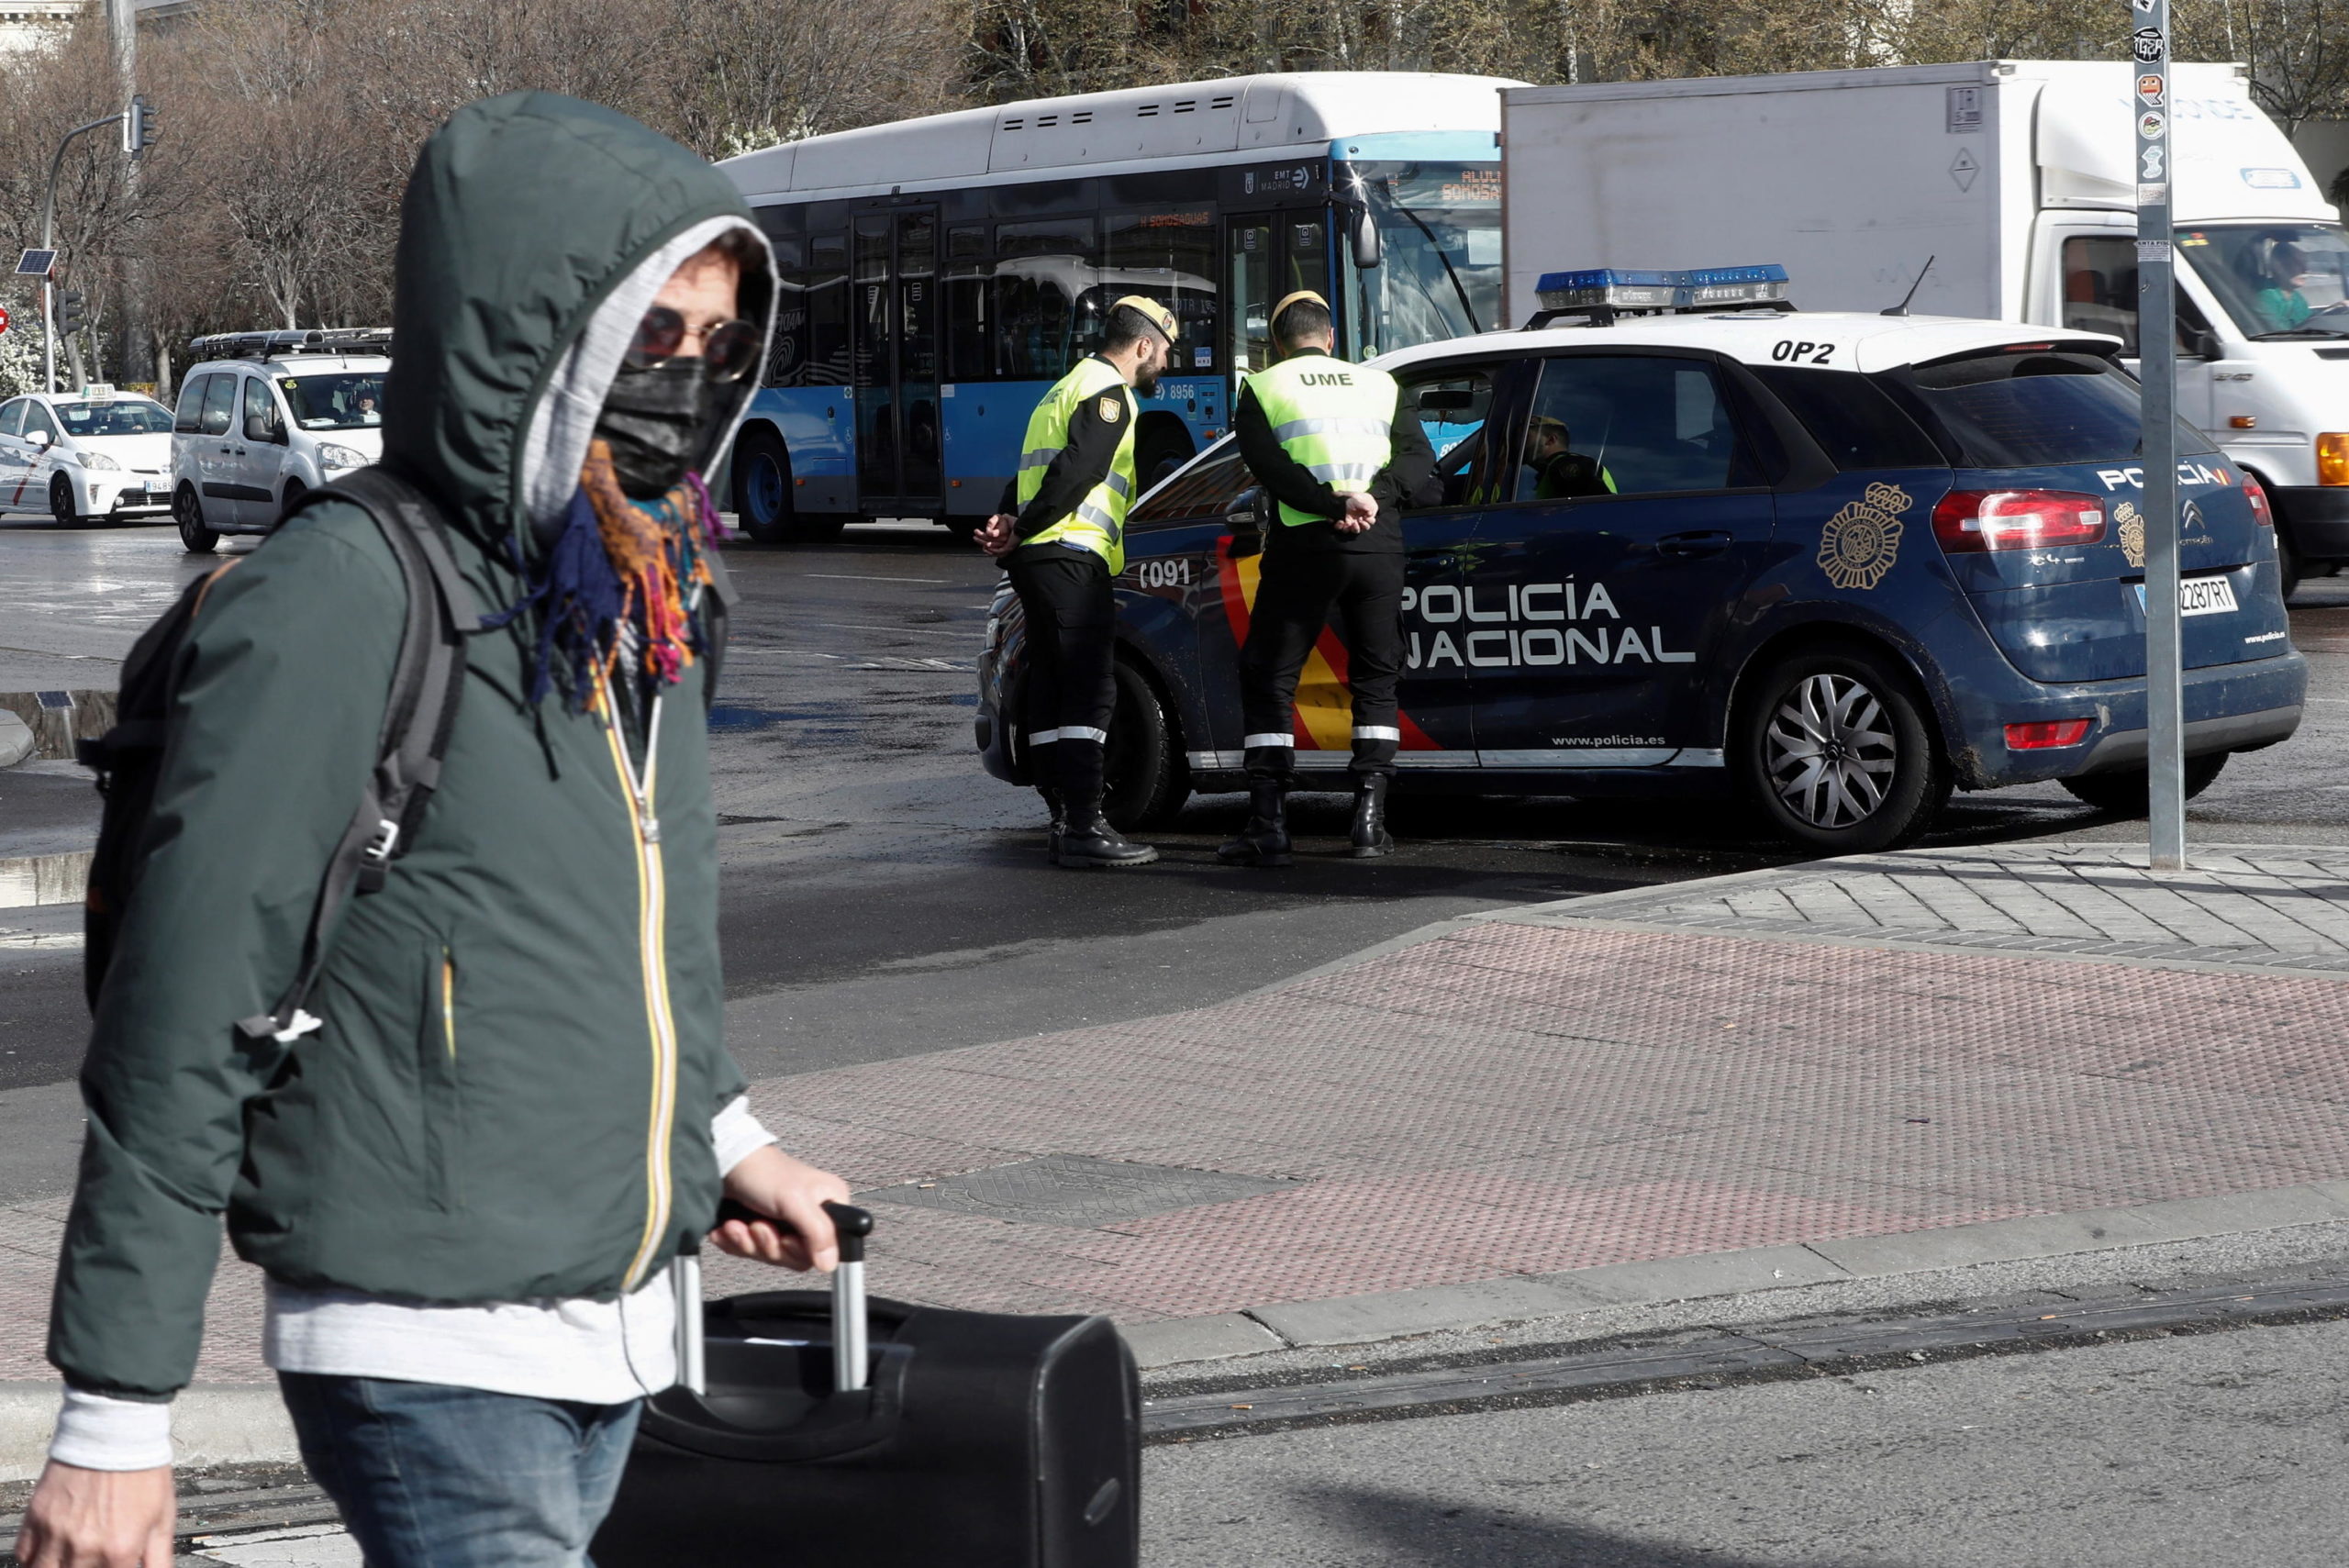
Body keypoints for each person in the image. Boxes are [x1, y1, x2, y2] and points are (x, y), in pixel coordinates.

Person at [14, 93, 852, 1568]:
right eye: (654, 333)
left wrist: (727, 1138)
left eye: (717, 345)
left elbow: (630, 933)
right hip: (428, 1346)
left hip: (610, 1330)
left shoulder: (634, 590)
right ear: (539, 327)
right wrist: (114, 1414)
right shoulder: (343, 595)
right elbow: (184, 1008)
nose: (689, 377)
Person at [1219, 291, 1435, 865]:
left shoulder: (1263, 388)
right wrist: (1369, 497)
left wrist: (1326, 503)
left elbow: (1269, 467)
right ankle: (1368, 822)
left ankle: (1268, 825)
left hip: (1304, 549)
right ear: (1331, 338)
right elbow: (1418, 460)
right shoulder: (1382, 386)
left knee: (1270, 677)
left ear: (1277, 345)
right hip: (1378, 546)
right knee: (1376, 679)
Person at [974, 295, 1180, 870]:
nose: (1165, 362)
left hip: (1041, 562)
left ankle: (1063, 816)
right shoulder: (1109, 394)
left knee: (1052, 691)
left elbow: (1032, 474)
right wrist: (1023, 527)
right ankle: (1086, 823)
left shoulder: (1062, 388)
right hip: (1070, 556)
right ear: (1143, 345)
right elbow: (1080, 470)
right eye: (1164, 351)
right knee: (1092, 689)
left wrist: (1008, 521)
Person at [1525, 415, 1614, 500]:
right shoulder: (1549, 472)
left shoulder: (1564, 466)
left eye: (1526, 436)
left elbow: (1598, 509)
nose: (1519, 442)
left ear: (1550, 440)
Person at [2256, 242, 2314, 332]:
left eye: (2305, 265)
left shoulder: (2296, 297)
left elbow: (2310, 323)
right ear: (2279, 268)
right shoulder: (2266, 297)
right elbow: (2279, 333)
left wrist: (2331, 310)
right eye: (2298, 265)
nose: (2304, 271)